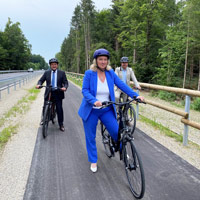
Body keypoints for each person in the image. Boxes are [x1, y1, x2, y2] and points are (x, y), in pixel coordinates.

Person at [78, 49, 144, 173]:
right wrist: (94, 100)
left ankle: (123, 153)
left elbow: (122, 85)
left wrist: (135, 95)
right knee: (90, 137)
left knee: (116, 133)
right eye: (100, 59)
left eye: (105, 59)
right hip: (91, 110)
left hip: (106, 109)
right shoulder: (89, 73)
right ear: (96, 61)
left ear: (107, 61)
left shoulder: (110, 73)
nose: (103, 62)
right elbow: (85, 90)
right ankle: (93, 161)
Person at [36, 58, 68, 132]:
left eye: (55, 64)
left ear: (57, 65)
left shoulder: (62, 73)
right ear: (50, 65)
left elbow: (65, 82)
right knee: (45, 106)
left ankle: (61, 124)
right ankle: (44, 119)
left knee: (59, 108)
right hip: (49, 92)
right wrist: (39, 84)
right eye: (52, 64)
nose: (54, 66)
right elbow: (41, 80)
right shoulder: (46, 73)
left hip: (58, 92)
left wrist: (64, 87)